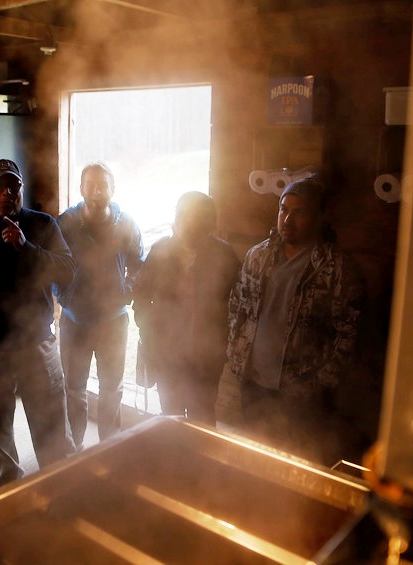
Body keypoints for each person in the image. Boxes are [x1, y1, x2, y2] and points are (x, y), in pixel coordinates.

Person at [227, 175, 365, 465]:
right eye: (283, 209)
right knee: (254, 457)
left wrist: (319, 381)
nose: (287, 219)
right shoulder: (258, 256)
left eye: (298, 212)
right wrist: (236, 354)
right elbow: (237, 306)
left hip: (301, 392)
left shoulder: (335, 269)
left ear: (319, 217)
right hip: (254, 382)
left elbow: (348, 333)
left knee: (295, 463)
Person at [0, 158, 76, 486]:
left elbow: (67, 270)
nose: (8, 193)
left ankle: (60, 484)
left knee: (52, 419)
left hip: (36, 342)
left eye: (14, 186)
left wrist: (25, 246)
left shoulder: (41, 224)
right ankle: (9, 488)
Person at [55, 162, 144, 449]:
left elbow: (139, 265)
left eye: (102, 185)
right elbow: (52, 266)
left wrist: (126, 291)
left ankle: (110, 446)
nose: (96, 191)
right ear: (81, 189)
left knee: (111, 390)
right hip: (74, 321)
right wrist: (63, 296)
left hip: (113, 322)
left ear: (112, 189)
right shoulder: (65, 223)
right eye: (90, 185)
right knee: (74, 390)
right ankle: (75, 447)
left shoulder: (126, 224)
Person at [133, 191, 239, 426]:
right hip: (167, 354)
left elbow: (240, 302)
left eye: (202, 222)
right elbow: (140, 296)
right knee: (171, 417)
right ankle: (175, 461)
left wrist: (225, 340)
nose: (193, 228)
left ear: (210, 224)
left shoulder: (223, 254)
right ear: (178, 217)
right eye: (188, 219)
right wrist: (149, 332)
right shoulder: (160, 252)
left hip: (206, 356)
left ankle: (200, 462)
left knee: (203, 417)